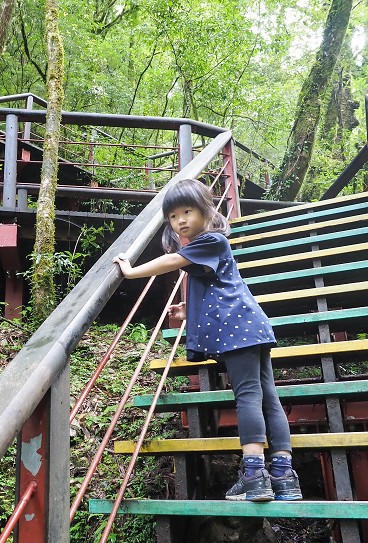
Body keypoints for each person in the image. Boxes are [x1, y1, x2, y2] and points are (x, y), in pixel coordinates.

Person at [113, 178, 302, 502]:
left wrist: (131, 271)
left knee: (249, 395)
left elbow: (174, 261)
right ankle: (284, 477)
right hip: (249, 324)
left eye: (187, 211)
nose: (180, 220)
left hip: (238, 328)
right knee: (268, 397)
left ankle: (255, 472)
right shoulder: (210, 248)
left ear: (205, 210)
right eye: (173, 216)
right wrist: (190, 310)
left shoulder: (210, 240)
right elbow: (221, 283)